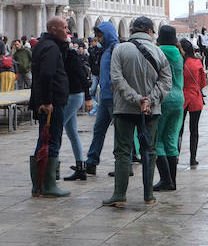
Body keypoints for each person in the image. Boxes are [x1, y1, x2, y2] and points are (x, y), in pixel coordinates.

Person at [103, 16, 173, 208]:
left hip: (124, 108)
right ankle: (148, 195)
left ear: (132, 30)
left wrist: (136, 98)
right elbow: (166, 81)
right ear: (150, 31)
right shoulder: (158, 52)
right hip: (151, 110)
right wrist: (149, 99)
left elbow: (116, 79)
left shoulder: (120, 49)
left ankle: (119, 195)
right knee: (149, 151)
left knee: (123, 152)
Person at [28, 17, 71, 198]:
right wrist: (47, 102)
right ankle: (48, 185)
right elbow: (46, 75)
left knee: (43, 141)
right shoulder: (51, 48)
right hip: (51, 105)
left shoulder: (43, 45)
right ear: (53, 29)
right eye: (64, 27)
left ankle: (39, 185)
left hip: (47, 102)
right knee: (51, 141)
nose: (67, 31)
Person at [83, 22, 119, 178]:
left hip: (114, 98)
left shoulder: (116, 50)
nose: (98, 39)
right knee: (98, 130)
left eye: (101, 35)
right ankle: (91, 162)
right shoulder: (106, 51)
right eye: (97, 36)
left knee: (121, 133)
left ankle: (125, 164)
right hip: (104, 98)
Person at [152, 26, 185, 191]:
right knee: (171, 139)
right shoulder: (179, 54)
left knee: (157, 140)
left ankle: (166, 180)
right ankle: (173, 181)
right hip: (179, 99)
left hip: (163, 99)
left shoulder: (158, 52)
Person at [60, 32, 94, 181]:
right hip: (70, 96)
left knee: (56, 128)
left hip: (74, 95)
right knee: (72, 133)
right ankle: (81, 168)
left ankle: (51, 167)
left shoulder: (70, 55)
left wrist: (88, 97)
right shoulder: (60, 55)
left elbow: (82, 76)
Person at [179, 38, 206, 167]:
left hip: (182, 97)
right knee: (194, 130)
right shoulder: (198, 62)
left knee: (179, 129)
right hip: (195, 97)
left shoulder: (179, 62)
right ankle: (192, 158)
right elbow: (203, 83)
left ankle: (176, 155)